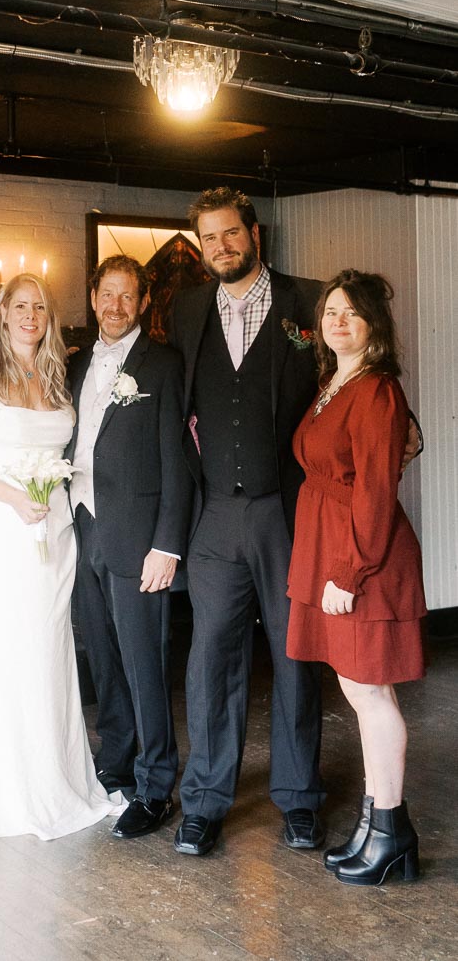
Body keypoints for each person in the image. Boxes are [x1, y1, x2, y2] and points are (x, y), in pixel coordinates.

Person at [167, 188, 325, 856]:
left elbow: (351, 374)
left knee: (294, 656)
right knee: (210, 662)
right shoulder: (186, 310)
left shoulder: (308, 302)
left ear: (254, 234)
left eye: (230, 233)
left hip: (287, 512)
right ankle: (205, 802)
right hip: (214, 516)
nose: (221, 247)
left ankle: (299, 798)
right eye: (209, 238)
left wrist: (403, 422)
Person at [0, 273, 117, 843]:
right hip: (5, 526)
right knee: (8, 644)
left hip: (56, 530)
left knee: (50, 646)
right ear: (4, 313)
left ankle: (55, 776)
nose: (30, 315)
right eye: (20, 306)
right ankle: (6, 787)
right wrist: (14, 498)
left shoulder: (58, 377)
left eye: (40, 306)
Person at [287, 270, 426, 885]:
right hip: (332, 546)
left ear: (374, 324)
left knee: (370, 692)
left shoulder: (377, 390)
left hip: (364, 558)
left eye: (351, 313)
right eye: (331, 312)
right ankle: (378, 828)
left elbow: (374, 490)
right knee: (358, 689)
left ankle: (390, 833)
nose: (338, 322)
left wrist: (349, 571)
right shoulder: (334, 382)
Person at [65, 254, 192, 840]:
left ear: (142, 303)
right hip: (80, 525)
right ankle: (114, 761)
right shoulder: (74, 364)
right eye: (106, 294)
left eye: (126, 296)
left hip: (139, 538)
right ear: (93, 298)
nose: (115, 306)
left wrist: (167, 544)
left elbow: (178, 461)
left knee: (145, 662)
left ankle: (156, 783)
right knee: (102, 657)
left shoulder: (163, 365)